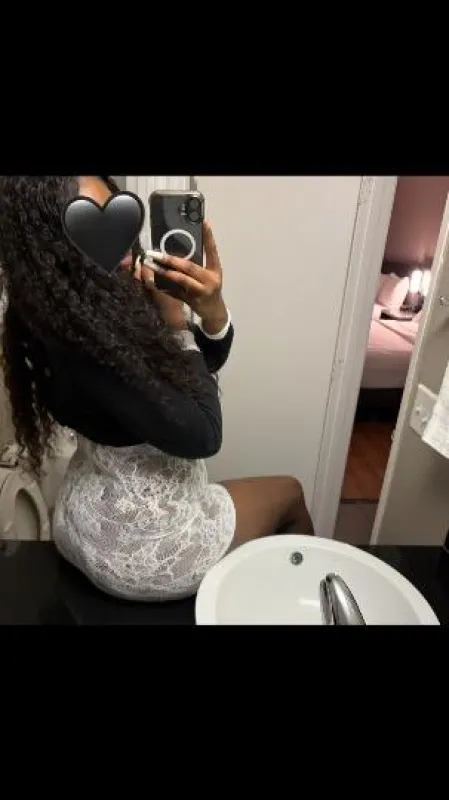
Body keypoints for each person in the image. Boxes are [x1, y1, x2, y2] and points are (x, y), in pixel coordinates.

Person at [0, 176, 314, 602]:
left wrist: (213, 313)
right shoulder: (90, 343)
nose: (124, 248)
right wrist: (176, 322)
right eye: (93, 232)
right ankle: (295, 602)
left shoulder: (60, 313)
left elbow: (189, 374)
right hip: (139, 545)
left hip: (89, 511)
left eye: (119, 221)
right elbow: (203, 433)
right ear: (53, 244)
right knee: (290, 494)